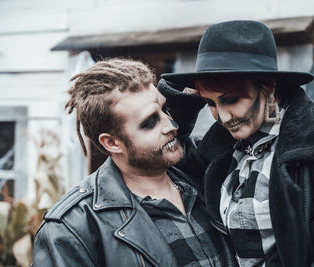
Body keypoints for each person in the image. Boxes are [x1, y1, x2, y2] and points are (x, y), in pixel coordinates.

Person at [158, 20, 314, 266]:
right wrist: (184, 102)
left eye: (231, 99)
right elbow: (169, 153)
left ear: (268, 87)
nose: (222, 118)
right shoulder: (221, 148)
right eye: (211, 103)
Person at [32, 58, 232, 267]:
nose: (170, 125)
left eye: (164, 110)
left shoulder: (205, 175)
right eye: (149, 122)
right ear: (112, 142)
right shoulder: (72, 228)